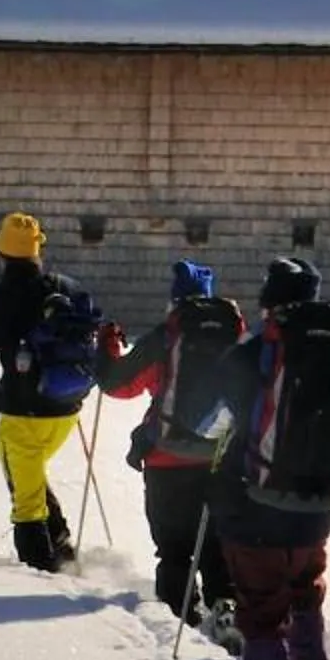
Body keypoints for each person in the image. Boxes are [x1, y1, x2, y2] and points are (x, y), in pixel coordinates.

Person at [208, 257, 330, 660]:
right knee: (305, 589)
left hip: (253, 504)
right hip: (319, 506)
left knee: (262, 603)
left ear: (269, 301)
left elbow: (212, 419)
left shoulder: (250, 355)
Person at [0, 212, 118, 572]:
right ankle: (65, 553)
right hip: (67, 408)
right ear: (38, 247)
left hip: (23, 414)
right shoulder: (66, 287)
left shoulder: (5, 298)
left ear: (0, 252)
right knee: (33, 479)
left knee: (25, 502)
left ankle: (42, 572)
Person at [99, 260, 245, 635]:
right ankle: (224, 605)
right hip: (222, 457)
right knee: (215, 543)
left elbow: (118, 385)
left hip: (167, 457)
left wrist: (108, 346)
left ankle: (182, 620)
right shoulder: (236, 337)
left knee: (174, 549)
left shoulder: (166, 337)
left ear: (175, 300)